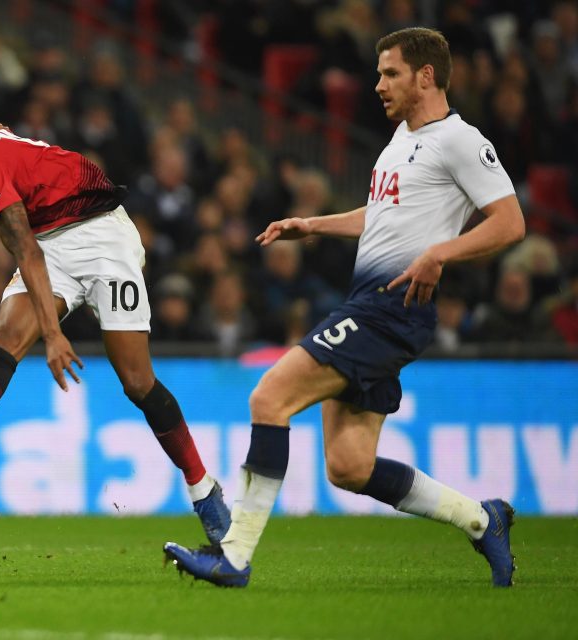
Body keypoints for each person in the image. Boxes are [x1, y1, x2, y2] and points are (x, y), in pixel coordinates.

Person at [164, 27, 524, 587]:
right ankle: (483, 519)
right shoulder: (401, 140)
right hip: (371, 303)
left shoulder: (460, 140)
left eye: (390, 73)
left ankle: (233, 556)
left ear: (426, 76)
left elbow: (510, 221)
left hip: (391, 310)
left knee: (270, 396)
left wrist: (439, 256)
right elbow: (380, 215)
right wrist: (314, 225)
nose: (378, 84)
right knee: (350, 467)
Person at [0, 115, 230, 544]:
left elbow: (25, 251)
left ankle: (203, 488)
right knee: (5, 335)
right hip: (51, 237)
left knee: (137, 381)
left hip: (100, 236)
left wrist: (54, 335)